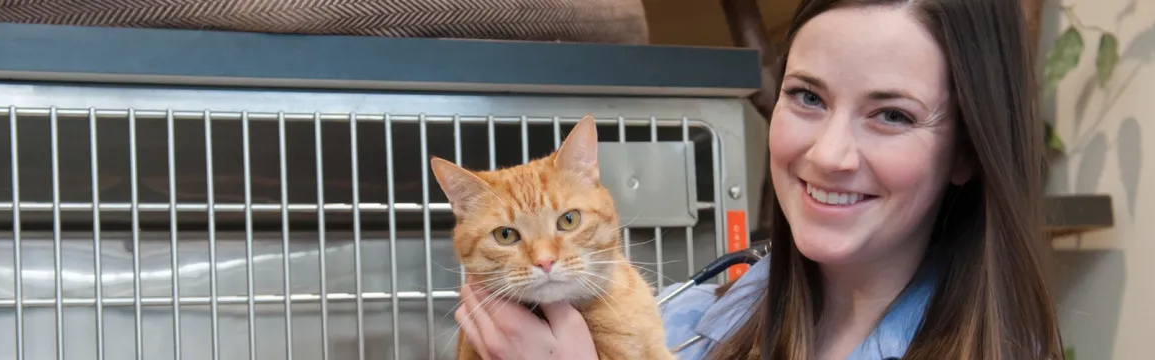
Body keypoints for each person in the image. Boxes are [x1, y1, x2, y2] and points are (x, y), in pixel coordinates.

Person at [453, 0, 1064, 359]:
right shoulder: (700, 311)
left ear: (966, 150)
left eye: (893, 115)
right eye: (806, 97)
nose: (829, 155)